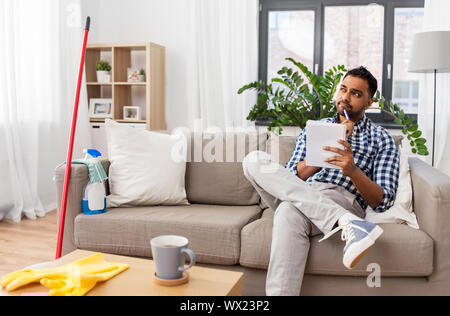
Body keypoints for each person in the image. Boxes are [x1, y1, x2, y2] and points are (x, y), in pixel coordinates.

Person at [242, 66, 400, 296]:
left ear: (369, 103)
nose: (345, 97)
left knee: (287, 211)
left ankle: (346, 217)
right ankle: (347, 223)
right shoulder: (313, 129)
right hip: (301, 190)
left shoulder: (382, 139)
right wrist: (320, 157)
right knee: (253, 159)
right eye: (343, 89)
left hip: (340, 197)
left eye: (356, 94)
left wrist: (353, 170)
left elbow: (382, 200)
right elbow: (288, 179)